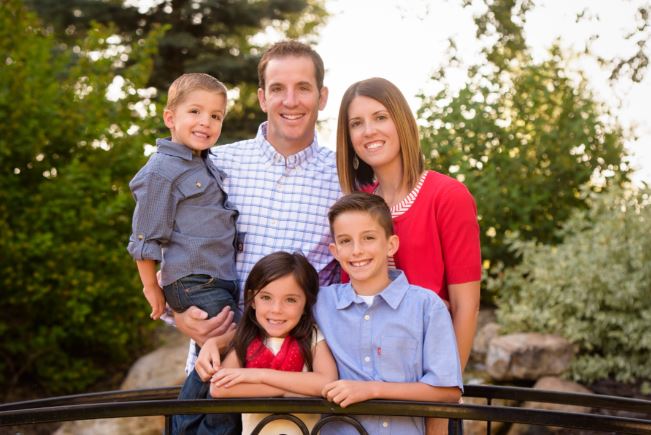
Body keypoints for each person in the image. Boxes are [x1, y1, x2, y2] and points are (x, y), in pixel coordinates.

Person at [170, 41, 341, 434]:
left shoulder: (343, 177)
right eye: (278, 88)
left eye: (303, 88)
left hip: (299, 390)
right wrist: (178, 314)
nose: (290, 101)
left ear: (322, 97)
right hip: (217, 373)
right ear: (262, 97)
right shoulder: (217, 164)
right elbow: (175, 245)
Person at [336, 77, 481, 433]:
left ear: (401, 121)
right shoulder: (356, 211)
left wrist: (439, 408)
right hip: (364, 403)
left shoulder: (447, 196)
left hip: (427, 398)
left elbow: (465, 307)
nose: (369, 131)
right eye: (356, 123)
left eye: (380, 117)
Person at [315, 192, 463, 435]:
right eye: (345, 241)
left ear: (391, 244)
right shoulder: (320, 303)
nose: (357, 250)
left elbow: (448, 391)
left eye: (368, 238)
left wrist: (371, 390)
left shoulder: (427, 307)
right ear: (334, 250)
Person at [127, 73, 238, 330]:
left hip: (220, 277)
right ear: (170, 118)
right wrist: (151, 287)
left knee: (225, 348)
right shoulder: (161, 170)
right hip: (194, 282)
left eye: (215, 116)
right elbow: (144, 236)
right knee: (235, 343)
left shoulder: (205, 163)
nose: (205, 122)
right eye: (195, 111)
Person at [190, 252, 338, 435]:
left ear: (306, 304)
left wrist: (258, 375)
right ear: (252, 300)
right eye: (266, 297)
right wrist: (294, 390)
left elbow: (327, 382)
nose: (276, 309)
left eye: (290, 300)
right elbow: (219, 388)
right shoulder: (247, 339)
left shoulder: (312, 337)